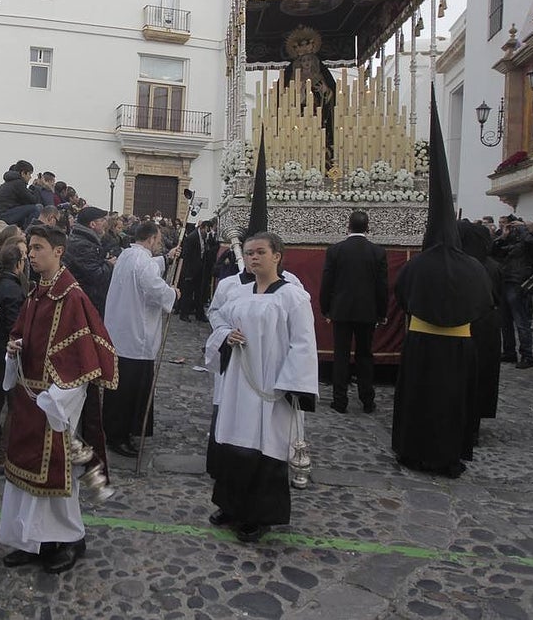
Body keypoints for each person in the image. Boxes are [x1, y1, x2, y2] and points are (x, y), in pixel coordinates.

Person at [0, 225, 117, 573]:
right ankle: (30, 540)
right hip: (29, 400)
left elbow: (83, 360)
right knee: (24, 472)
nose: (31, 254)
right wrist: (14, 348)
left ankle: (68, 540)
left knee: (56, 473)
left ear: (58, 251)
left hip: (55, 404)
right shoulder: (36, 294)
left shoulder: (72, 298)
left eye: (38, 248)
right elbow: (22, 335)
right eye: (30, 248)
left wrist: (58, 400)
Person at [392, 94, 493, 478]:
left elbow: (402, 296)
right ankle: (449, 457)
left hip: (421, 342)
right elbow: (484, 303)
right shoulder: (474, 267)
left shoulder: (418, 265)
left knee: (418, 399)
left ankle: (412, 451)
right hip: (459, 345)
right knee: (453, 402)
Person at [204, 231, 318, 543]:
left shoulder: (293, 297)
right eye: (249, 253)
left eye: (260, 252)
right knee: (234, 442)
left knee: (265, 448)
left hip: (272, 389)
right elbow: (220, 322)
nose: (253, 257)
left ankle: (258, 515)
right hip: (239, 382)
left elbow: (303, 344)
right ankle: (229, 505)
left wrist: (292, 387)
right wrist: (226, 336)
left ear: (276, 256)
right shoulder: (240, 294)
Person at [102, 221, 180, 458]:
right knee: (128, 391)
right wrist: (173, 293)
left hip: (121, 332)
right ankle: (119, 436)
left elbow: (149, 267)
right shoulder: (142, 262)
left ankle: (118, 431)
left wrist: (166, 258)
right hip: (136, 337)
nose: (159, 244)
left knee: (119, 388)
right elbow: (155, 289)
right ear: (152, 238)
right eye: (158, 241)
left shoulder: (127, 255)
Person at [320, 210, 389, 414]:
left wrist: (326, 309)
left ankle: (339, 400)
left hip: (341, 310)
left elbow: (327, 282)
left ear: (348, 226)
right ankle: (367, 400)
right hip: (367, 312)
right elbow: (382, 286)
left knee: (341, 355)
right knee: (365, 355)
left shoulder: (335, 250)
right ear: (368, 227)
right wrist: (382, 312)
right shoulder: (378, 252)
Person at [458, 220, 504, 439]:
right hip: (487, 324)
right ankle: (473, 425)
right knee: (480, 376)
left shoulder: (466, 265)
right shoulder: (492, 265)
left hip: (472, 323)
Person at [0, 244, 28, 472]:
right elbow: (15, 325)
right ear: (18, 264)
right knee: (13, 405)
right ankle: (2, 456)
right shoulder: (13, 289)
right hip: (6, 352)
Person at [492, 220, 533, 369]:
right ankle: (509, 351)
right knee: (505, 321)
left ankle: (527, 355)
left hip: (518, 283)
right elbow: (494, 251)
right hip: (505, 281)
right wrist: (502, 237)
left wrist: (523, 229)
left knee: (521, 322)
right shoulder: (515, 244)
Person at [64, 206, 115, 315]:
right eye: (102, 220)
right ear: (92, 224)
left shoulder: (84, 240)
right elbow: (96, 275)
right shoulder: (83, 245)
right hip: (86, 301)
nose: (105, 223)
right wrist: (109, 264)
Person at [0, 160, 42, 229]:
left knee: (28, 208)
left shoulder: (12, 181)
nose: (30, 177)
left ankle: (21, 229)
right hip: (2, 215)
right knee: (34, 209)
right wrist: (36, 187)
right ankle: (28, 232)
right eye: (29, 174)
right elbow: (33, 201)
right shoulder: (18, 183)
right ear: (23, 173)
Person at [178, 221, 211, 322]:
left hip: (200, 270)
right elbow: (186, 255)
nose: (208, 232)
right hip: (190, 270)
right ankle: (184, 314)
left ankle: (199, 314)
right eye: (207, 230)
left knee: (199, 293)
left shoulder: (204, 238)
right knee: (187, 293)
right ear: (202, 227)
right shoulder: (192, 237)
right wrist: (187, 273)